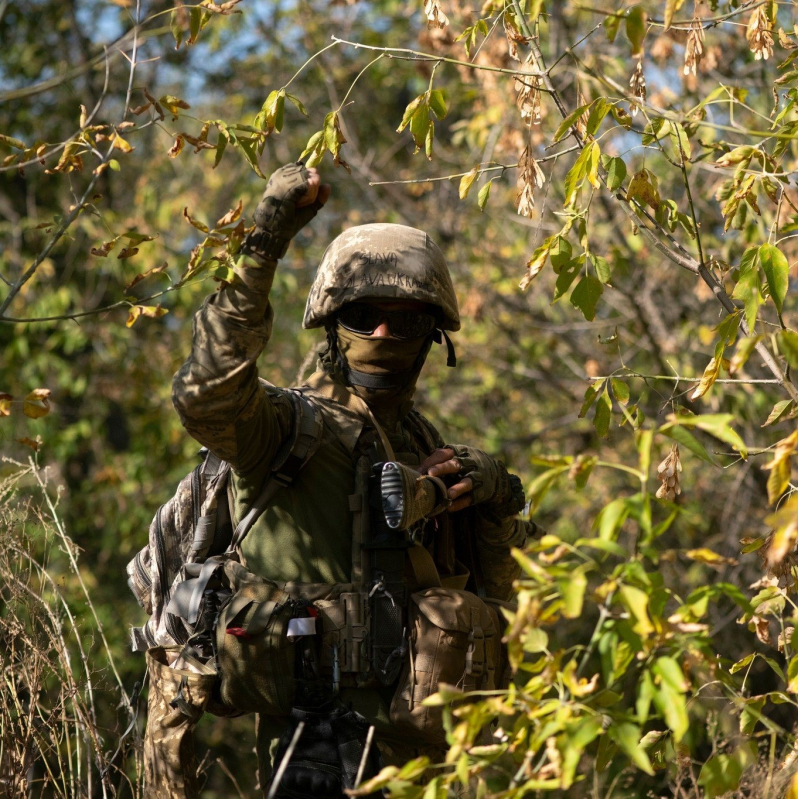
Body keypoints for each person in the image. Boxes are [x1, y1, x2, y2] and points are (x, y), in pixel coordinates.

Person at [148, 163, 537, 797]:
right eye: (363, 317)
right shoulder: (281, 428)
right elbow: (206, 392)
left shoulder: (425, 444)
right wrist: (265, 242)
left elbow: (510, 599)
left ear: (432, 337)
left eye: (405, 321)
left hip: (426, 756)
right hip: (316, 743)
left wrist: (494, 491)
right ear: (332, 326)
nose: (383, 335)